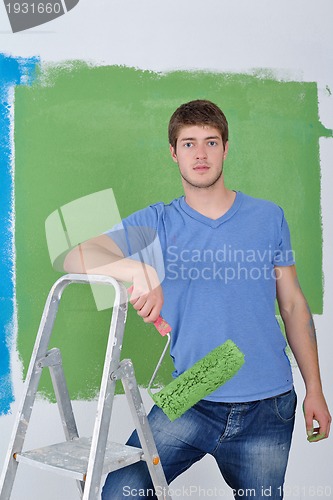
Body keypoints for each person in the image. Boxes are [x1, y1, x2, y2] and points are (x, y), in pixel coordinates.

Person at [64, 100, 331, 499]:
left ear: (225, 147)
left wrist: (315, 388)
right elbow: (77, 255)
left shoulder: (268, 217)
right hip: (195, 385)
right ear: (174, 153)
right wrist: (139, 271)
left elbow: (292, 305)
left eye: (210, 142)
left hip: (269, 400)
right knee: (121, 491)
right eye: (188, 144)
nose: (200, 154)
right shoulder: (157, 222)